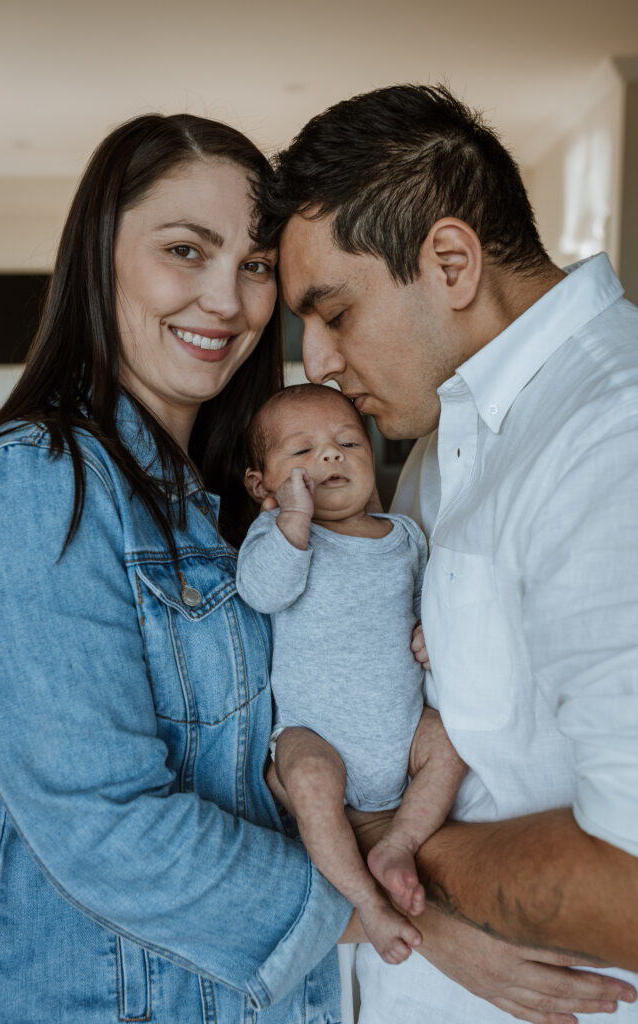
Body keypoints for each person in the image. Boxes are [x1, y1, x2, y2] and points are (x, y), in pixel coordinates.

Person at [260, 83, 638, 1023]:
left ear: (449, 260)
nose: (316, 361)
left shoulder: (618, 435)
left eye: (335, 312)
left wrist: (396, 852)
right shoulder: (440, 438)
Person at [0, 112, 356, 1023]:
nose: (227, 300)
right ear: (101, 255)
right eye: (186, 250)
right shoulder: (40, 478)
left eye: (256, 266)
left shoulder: (231, 507)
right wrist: (391, 913)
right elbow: (107, 827)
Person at [235, 382, 466, 964]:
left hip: (401, 731)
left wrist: (430, 630)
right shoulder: (280, 537)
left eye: (347, 442)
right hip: (316, 736)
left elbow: (425, 601)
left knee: (451, 742)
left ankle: (399, 843)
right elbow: (261, 592)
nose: (330, 456)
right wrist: (290, 520)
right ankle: (366, 900)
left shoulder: (405, 536)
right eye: (302, 452)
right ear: (261, 485)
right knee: (309, 783)